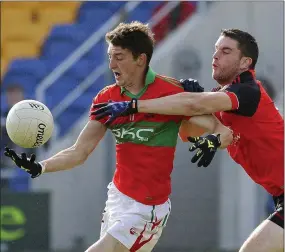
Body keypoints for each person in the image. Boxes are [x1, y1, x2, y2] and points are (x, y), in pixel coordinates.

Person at [4, 22, 233, 252]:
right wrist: (41, 167)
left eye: (119, 57)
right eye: (110, 56)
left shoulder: (172, 92)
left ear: (140, 59)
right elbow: (79, 152)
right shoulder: (107, 98)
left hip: (147, 209)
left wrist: (212, 141)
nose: (112, 64)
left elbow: (223, 130)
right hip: (117, 200)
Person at [93, 28, 284, 252]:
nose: (216, 55)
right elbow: (188, 133)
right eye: (215, 50)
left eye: (226, 51)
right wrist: (208, 135)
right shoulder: (225, 99)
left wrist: (133, 105)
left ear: (245, 63)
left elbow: (193, 104)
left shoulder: (248, 92)